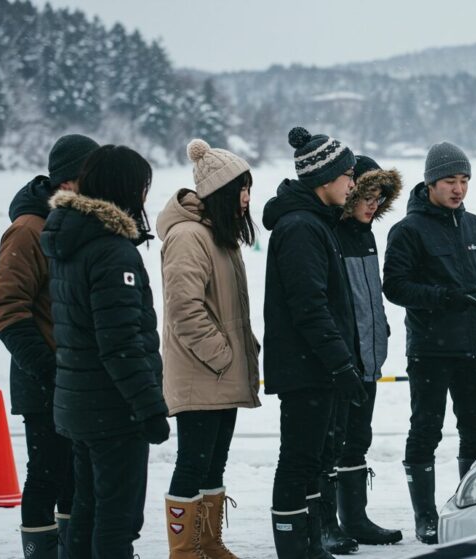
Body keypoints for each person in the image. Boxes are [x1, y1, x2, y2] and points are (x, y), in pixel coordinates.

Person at [39, 145, 170, 558]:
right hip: (114, 409)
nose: (145, 197)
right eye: (142, 187)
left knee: (88, 509)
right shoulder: (111, 250)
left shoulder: (73, 237)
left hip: (82, 403)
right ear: (125, 189)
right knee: (118, 518)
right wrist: (149, 407)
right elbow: (121, 343)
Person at [383, 141, 476, 545]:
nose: (458, 189)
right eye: (450, 180)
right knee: (425, 431)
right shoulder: (408, 230)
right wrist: (442, 297)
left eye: (464, 180)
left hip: (474, 348)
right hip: (430, 349)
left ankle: (472, 510)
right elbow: (395, 286)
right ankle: (426, 516)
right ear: (431, 183)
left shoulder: (474, 226)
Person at [0, 133, 98, 558]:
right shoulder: (28, 229)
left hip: (78, 377)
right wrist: (49, 370)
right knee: (46, 476)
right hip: (44, 378)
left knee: (76, 477)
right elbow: (7, 310)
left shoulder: (77, 223)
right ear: (70, 181)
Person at [263, 127, 367, 559]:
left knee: (312, 460)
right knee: (299, 459)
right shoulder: (301, 228)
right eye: (348, 176)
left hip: (315, 365)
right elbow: (310, 307)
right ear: (325, 179)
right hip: (305, 367)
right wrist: (341, 365)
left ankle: (308, 543)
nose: (353, 184)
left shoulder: (316, 222)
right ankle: (293, 547)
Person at [157, 139, 262, 558]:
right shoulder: (187, 236)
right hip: (203, 371)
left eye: (248, 188)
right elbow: (184, 308)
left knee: (214, 463)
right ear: (220, 191)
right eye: (240, 189)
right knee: (192, 463)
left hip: (221, 372)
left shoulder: (219, 235)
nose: (246, 198)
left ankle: (209, 543)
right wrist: (222, 354)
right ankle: (184, 551)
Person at [327, 155, 403, 546]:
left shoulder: (367, 233)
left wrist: (382, 332)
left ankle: (354, 518)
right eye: (367, 196)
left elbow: (370, 297)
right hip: (342, 359)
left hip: (369, 357)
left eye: (379, 198)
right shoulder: (331, 233)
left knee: (358, 439)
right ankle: (326, 523)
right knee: (332, 441)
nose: (373, 205)